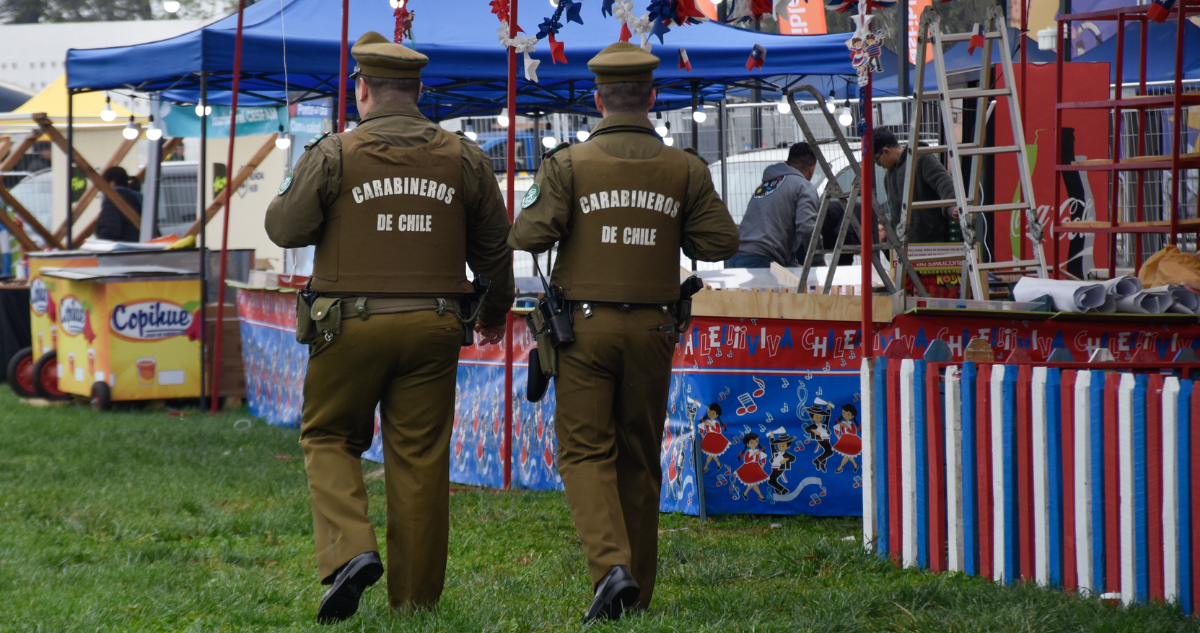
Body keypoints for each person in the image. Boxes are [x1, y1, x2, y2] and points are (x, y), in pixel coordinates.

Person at [264, 31, 514, 624]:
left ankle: (350, 551)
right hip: (434, 325)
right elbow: (497, 252)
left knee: (328, 438)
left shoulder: (334, 152)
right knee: (421, 459)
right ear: (419, 92)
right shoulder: (464, 156)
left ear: (362, 90)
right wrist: (495, 315)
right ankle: (416, 603)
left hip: (346, 327)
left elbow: (284, 228)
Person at [508, 42, 738, 623]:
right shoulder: (685, 168)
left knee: (585, 450)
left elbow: (528, 235)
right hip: (655, 329)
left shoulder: (568, 164)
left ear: (596, 99)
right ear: (652, 97)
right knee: (640, 453)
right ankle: (636, 587)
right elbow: (718, 244)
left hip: (582, 330)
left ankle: (609, 567)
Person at [727, 142, 856, 269]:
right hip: (761, 260)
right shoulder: (803, 186)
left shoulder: (768, 184)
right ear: (812, 170)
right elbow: (807, 227)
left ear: (788, 162)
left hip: (736, 256)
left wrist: (792, 265)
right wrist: (817, 262)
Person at [873, 128, 959, 244]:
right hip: (907, 245)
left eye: (877, 161)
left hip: (932, 242)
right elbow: (894, 214)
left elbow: (943, 182)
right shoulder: (889, 178)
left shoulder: (921, 159)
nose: (880, 165)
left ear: (887, 151)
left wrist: (951, 207)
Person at [95, 166, 142, 242]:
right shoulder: (137, 197)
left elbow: (109, 231)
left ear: (112, 183)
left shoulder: (113, 199)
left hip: (123, 250)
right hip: (141, 247)